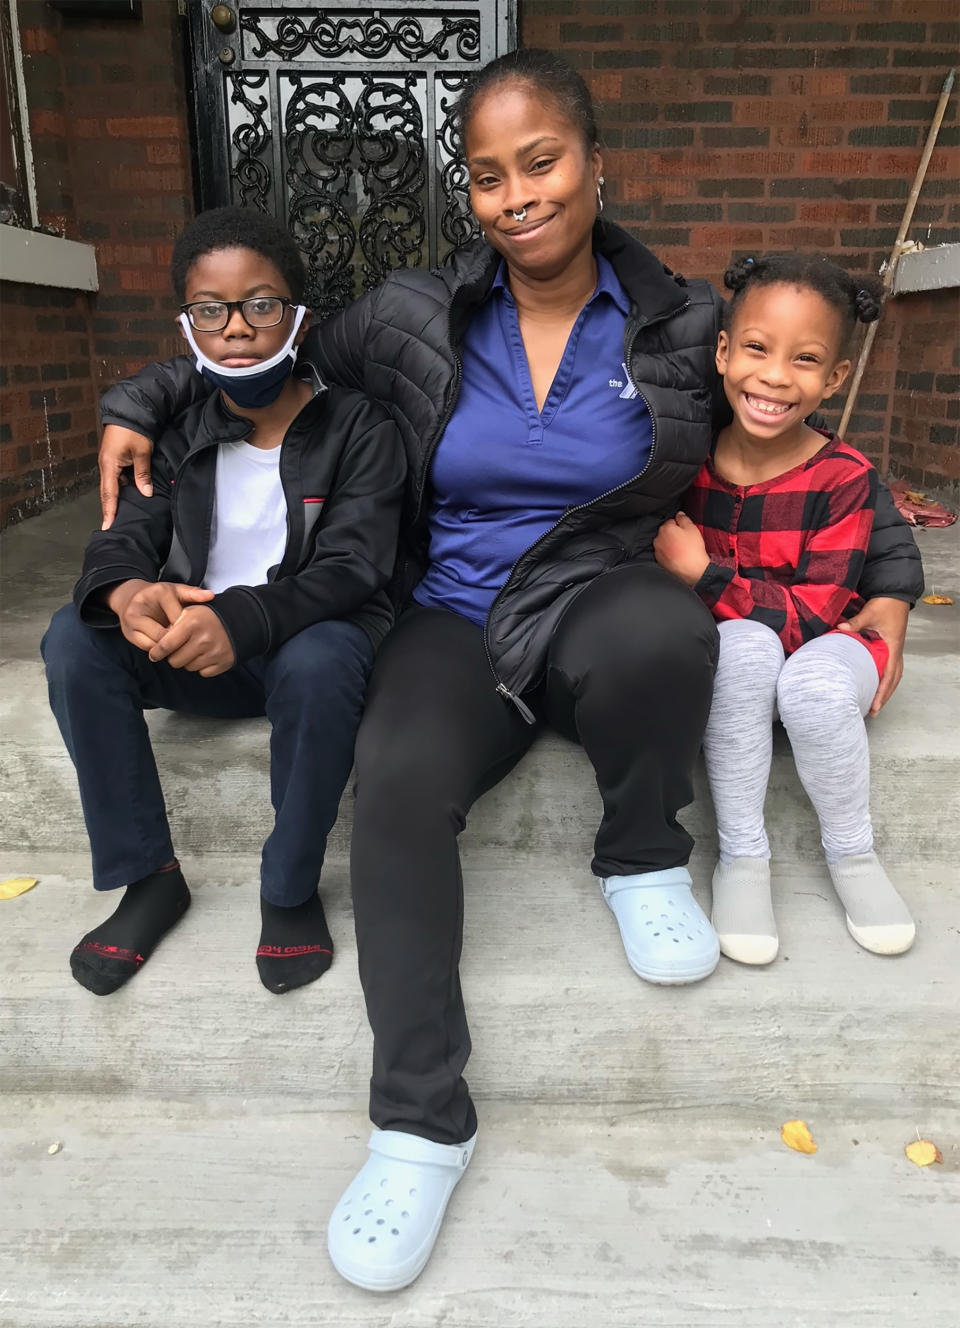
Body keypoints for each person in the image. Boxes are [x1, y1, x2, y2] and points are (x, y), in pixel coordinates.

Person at [92, 51, 923, 1291]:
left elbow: (796, 417)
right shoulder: (417, 313)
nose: (516, 194)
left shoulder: (684, 321)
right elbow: (273, 348)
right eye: (487, 176)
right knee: (398, 771)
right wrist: (142, 394)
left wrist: (893, 590)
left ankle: (641, 848)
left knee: (666, 630)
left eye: (541, 162)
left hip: (598, 591)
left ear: (596, 164)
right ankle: (420, 1119)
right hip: (453, 609)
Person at [41, 206, 404, 999]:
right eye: (211, 309)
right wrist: (127, 590)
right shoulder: (173, 433)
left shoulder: (359, 427)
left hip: (295, 645)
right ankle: (149, 878)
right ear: (188, 324)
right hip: (196, 649)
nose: (236, 328)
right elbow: (121, 537)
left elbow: (356, 565)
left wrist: (243, 619)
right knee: (75, 637)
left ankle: (290, 886)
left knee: (326, 654)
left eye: (260, 304)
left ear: (299, 317)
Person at [654, 253, 918, 966]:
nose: (774, 377)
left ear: (833, 378)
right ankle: (742, 857)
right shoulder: (688, 464)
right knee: (741, 648)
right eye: (756, 349)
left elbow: (811, 614)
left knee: (810, 684)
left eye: (805, 360)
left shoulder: (843, 478)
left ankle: (853, 856)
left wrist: (705, 575)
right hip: (747, 652)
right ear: (722, 351)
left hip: (836, 640)